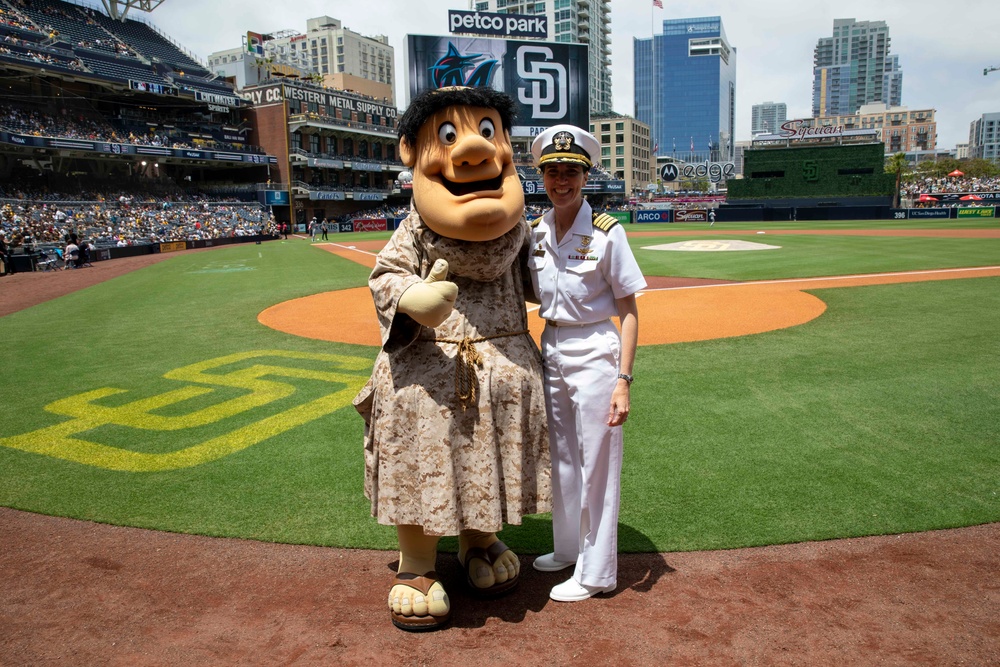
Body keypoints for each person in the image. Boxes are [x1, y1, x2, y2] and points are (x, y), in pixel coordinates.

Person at [353, 86, 549, 631]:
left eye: (487, 132)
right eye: (448, 135)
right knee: (424, 452)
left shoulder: (522, 233)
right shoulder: (414, 230)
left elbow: (545, 285)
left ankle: (478, 541)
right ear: (411, 152)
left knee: (484, 459)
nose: (474, 150)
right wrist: (413, 298)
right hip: (428, 372)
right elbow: (386, 276)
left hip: (500, 370)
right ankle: (416, 565)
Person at [526, 124, 646, 603]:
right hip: (551, 345)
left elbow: (630, 310)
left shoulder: (606, 233)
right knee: (563, 459)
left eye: (571, 171)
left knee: (597, 462)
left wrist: (624, 380)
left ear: (585, 175)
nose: (562, 180)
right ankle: (569, 549)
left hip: (596, 349)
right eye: (553, 171)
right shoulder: (535, 232)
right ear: (542, 177)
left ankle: (598, 574)